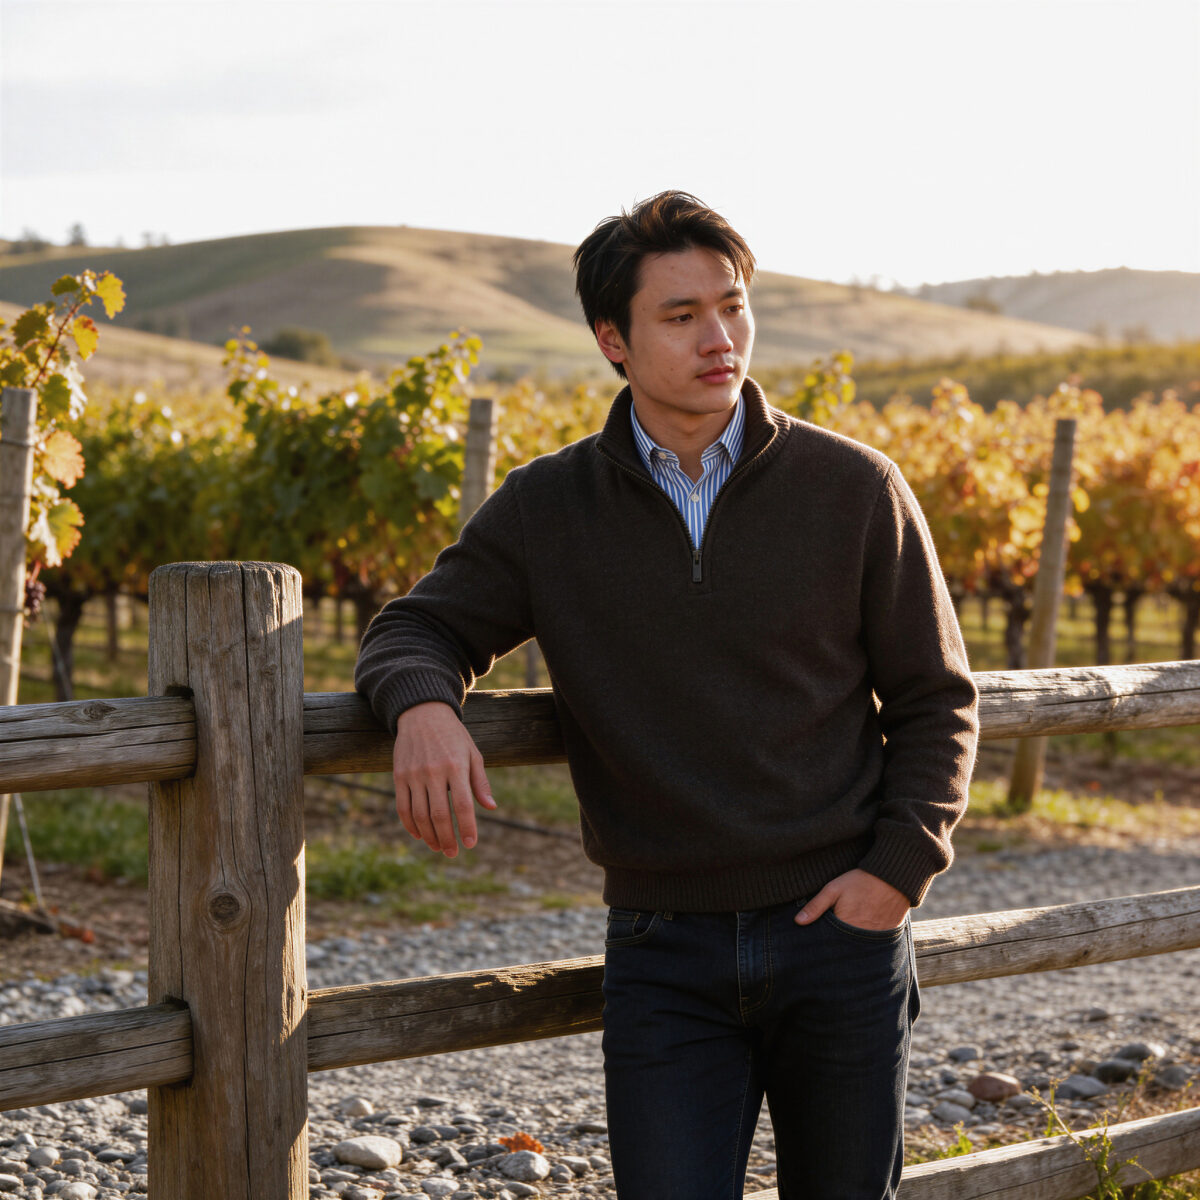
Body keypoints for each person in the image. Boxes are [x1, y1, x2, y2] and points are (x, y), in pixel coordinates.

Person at [355, 190, 979, 1200]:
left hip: (840, 937)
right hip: (663, 952)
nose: (719, 337)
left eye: (732, 306)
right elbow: (415, 628)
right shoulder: (550, 507)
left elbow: (935, 698)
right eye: (681, 316)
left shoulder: (855, 488)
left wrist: (896, 876)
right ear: (614, 339)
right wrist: (424, 707)